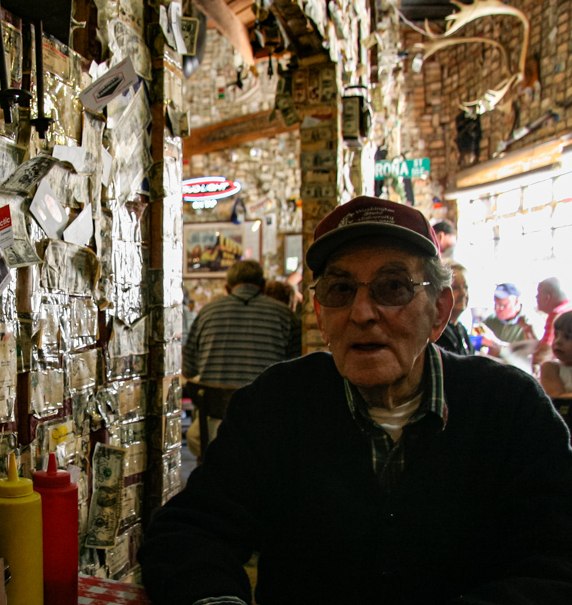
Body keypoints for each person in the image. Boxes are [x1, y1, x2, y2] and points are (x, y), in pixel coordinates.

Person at [139, 196, 572, 605]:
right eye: (341, 290)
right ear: (321, 315)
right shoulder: (278, 403)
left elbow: (555, 564)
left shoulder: (510, 408)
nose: (362, 312)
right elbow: (190, 534)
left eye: (393, 287)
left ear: (439, 311)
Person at [181, 260, 301, 458]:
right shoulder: (286, 316)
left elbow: (189, 369)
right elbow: (296, 375)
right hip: (267, 426)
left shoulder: (206, 314)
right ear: (263, 286)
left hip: (213, 428)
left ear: (227, 288)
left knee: (197, 436)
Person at [480, 282, 541, 357]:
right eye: (496, 304)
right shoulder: (490, 321)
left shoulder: (531, 323)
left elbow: (536, 354)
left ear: (516, 302)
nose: (497, 309)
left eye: (503, 305)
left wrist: (496, 343)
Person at [434, 263, 474, 355]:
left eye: (465, 287)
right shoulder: (438, 331)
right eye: (455, 288)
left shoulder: (460, 329)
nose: (463, 293)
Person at [534, 277, 572, 365]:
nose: (536, 297)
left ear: (547, 298)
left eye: (538, 293)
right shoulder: (569, 308)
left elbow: (543, 356)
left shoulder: (556, 315)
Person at [540, 311, 572, 398]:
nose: (558, 342)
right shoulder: (551, 367)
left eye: (567, 337)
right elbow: (558, 399)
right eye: (556, 335)